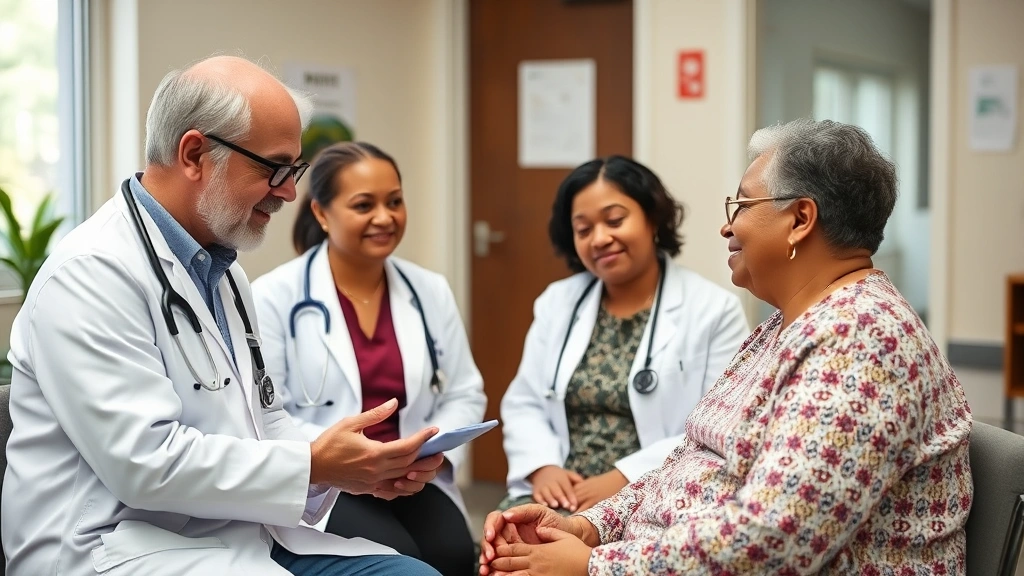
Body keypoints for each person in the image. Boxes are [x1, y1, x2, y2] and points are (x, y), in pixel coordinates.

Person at [1, 55, 446, 576]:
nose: (289, 191)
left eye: (294, 170)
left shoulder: (222, 271)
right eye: (274, 168)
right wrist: (314, 463)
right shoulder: (89, 275)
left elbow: (264, 420)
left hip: (227, 533)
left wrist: (351, 466)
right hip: (108, 549)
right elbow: (145, 464)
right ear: (194, 154)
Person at [479, 118, 973, 575]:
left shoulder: (861, 340)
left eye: (741, 206)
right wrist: (590, 527)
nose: (726, 227)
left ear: (800, 218)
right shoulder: (785, 326)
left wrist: (594, 566)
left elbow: (777, 536)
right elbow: (691, 460)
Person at [252, 141, 486, 575]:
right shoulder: (272, 296)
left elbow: (464, 391)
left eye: (394, 201)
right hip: (330, 482)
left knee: (455, 555)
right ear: (321, 213)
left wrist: (432, 452)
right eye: (364, 205)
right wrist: (346, 459)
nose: (385, 217)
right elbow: (268, 412)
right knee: (398, 559)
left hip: (412, 474)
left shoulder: (428, 289)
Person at [497, 155, 749, 514]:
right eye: (583, 230)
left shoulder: (713, 309)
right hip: (561, 489)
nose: (600, 238)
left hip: (656, 489)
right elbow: (525, 402)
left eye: (615, 220)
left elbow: (716, 427)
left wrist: (623, 476)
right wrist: (542, 468)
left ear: (652, 218)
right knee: (507, 548)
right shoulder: (557, 302)